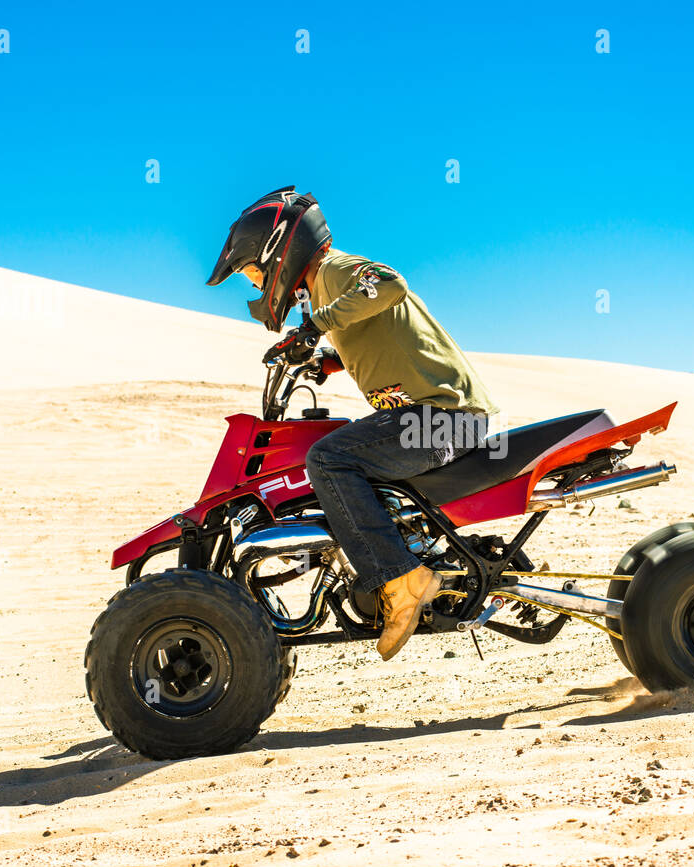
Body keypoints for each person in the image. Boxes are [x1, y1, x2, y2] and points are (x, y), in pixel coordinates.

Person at [206, 186, 498, 660]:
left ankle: (400, 580)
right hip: (433, 418)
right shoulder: (326, 291)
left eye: (255, 270)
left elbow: (388, 284)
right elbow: (378, 333)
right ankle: (402, 559)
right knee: (343, 452)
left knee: (330, 457)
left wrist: (315, 327)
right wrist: (327, 360)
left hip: (446, 418)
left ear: (279, 249)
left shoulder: (335, 271)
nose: (257, 283)